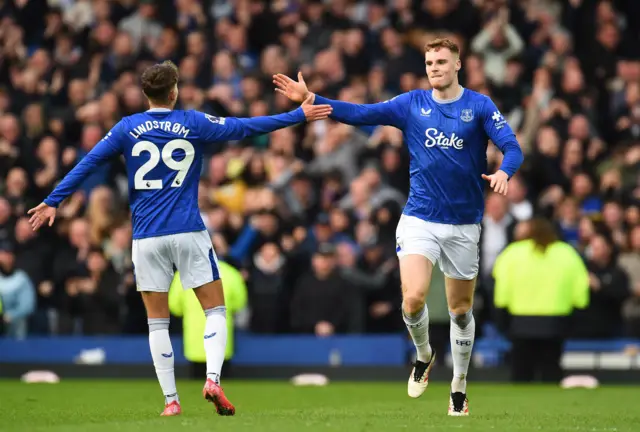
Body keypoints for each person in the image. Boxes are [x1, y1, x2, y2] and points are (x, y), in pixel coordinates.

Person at [27, 60, 332, 417]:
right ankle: (213, 379)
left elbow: (88, 163)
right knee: (215, 309)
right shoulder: (192, 122)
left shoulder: (128, 127)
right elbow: (246, 127)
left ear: (145, 94)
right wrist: (297, 116)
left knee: (157, 322)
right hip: (187, 230)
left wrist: (53, 200)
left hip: (146, 238)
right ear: (174, 91)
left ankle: (171, 401)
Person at [273, 37, 523, 416]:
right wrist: (313, 98)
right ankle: (423, 356)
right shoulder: (411, 104)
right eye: (429, 62)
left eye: (441, 61)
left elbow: (513, 146)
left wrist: (505, 171)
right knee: (413, 298)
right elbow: (359, 113)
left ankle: (459, 385)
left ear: (458, 64)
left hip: (464, 224)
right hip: (419, 217)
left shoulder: (479, 106)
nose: (434, 67)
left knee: (459, 311)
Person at [492, 218, 589, 382]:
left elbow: (502, 287)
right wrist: (577, 308)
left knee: (521, 371)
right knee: (551, 368)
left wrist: (501, 313)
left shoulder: (513, 252)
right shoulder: (567, 253)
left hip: (521, 320)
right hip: (556, 320)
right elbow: (581, 290)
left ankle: (520, 406)